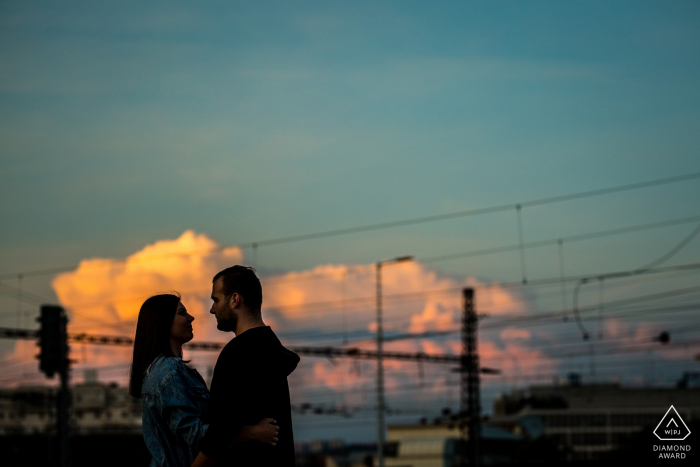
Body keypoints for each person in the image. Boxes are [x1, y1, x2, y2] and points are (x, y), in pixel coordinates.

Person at [129, 293, 280, 467]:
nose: (190, 317)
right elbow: (195, 435)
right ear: (162, 322)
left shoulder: (169, 371)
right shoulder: (167, 372)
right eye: (182, 313)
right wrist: (252, 432)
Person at [191, 266, 300, 467]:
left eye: (216, 300)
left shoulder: (236, 354)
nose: (212, 309)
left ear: (234, 299)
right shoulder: (271, 347)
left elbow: (219, 433)